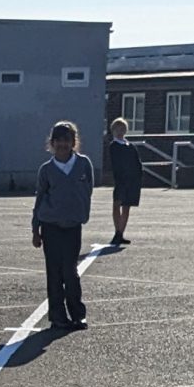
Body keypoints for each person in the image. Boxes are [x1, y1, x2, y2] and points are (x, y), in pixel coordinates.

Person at [31, 120, 95, 332]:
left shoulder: (83, 164)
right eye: (58, 141)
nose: (62, 145)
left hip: (73, 226)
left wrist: (80, 212)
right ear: (52, 143)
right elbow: (40, 199)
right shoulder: (47, 170)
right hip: (51, 226)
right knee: (54, 272)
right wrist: (36, 230)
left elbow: (88, 190)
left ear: (73, 142)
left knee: (70, 271)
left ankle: (77, 315)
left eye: (67, 140)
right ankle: (57, 317)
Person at [104, 115, 142, 244]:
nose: (120, 132)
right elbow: (115, 164)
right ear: (113, 131)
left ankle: (120, 233)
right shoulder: (114, 146)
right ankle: (117, 232)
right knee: (117, 205)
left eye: (122, 129)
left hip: (132, 181)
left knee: (126, 207)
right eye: (117, 129)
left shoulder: (131, 147)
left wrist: (138, 178)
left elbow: (137, 163)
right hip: (121, 180)